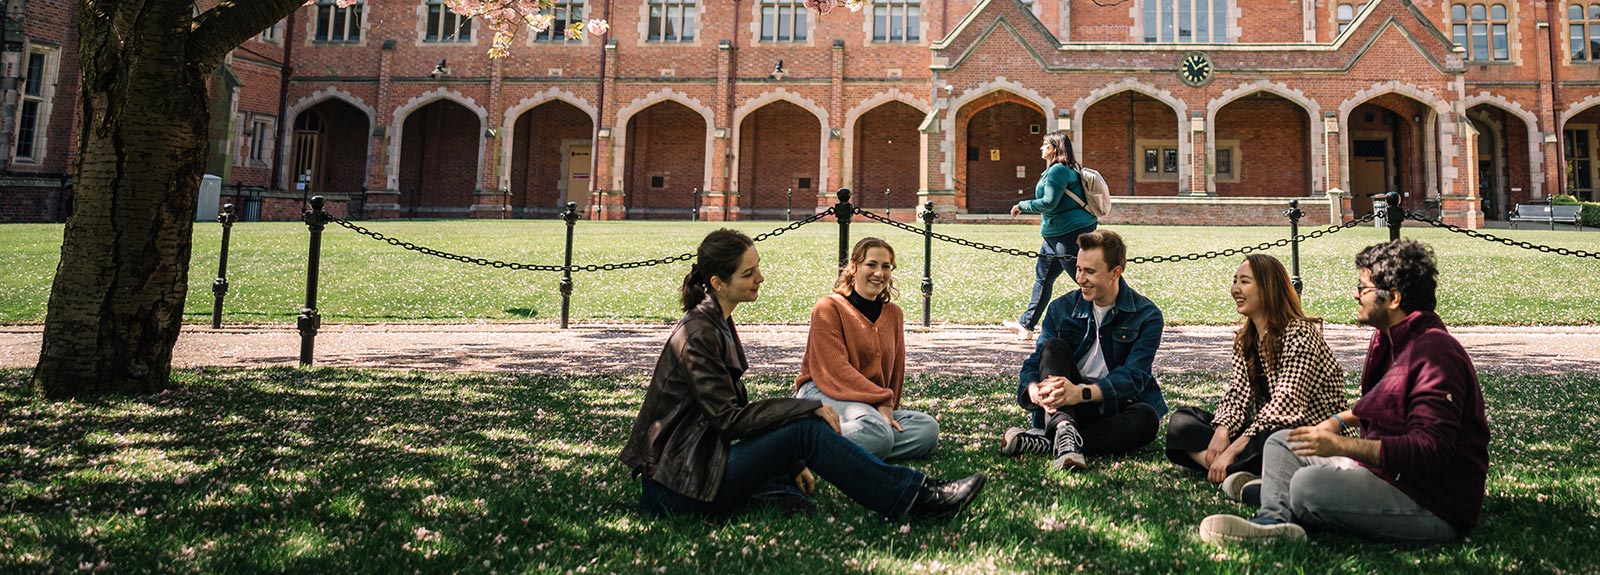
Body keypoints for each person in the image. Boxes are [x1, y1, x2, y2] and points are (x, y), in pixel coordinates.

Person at [621, 229, 986, 520]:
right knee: (806, 426)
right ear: (718, 282)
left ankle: (777, 486)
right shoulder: (699, 333)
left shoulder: (716, 322)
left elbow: (735, 411)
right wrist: (802, 409)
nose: (760, 278)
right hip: (677, 488)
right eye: (749, 273)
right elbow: (730, 420)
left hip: (695, 472)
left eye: (757, 267)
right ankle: (917, 497)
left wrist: (792, 460)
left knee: (810, 433)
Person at [1199, 239, 1489, 544]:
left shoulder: (1434, 353)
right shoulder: (1390, 341)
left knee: (1306, 486)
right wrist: (1339, 421)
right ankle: (1273, 516)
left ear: (1393, 298)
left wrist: (1340, 446)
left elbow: (1429, 449)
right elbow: (1385, 401)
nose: (1355, 295)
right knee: (1282, 443)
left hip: (1431, 503)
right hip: (1384, 475)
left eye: (1362, 289)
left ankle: (1277, 497)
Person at [1165, 254, 1349, 501]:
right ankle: (1234, 473)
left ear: (1268, 288)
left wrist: (1232, 449)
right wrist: (1222, 432)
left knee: (1274, 439)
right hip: (1258, 430)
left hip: (1303, 432)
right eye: (1234, 281)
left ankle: (1227, 468)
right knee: (1182, 422)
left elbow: (1287, 404)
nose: (1235, 289)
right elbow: (1237, 395)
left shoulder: (1301, 333)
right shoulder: (1246, 338)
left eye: (1244, 282)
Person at [997, 229, 1166, 471]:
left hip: (1111, 405)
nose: (1080, 278)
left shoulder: (1146, 315)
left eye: (1090, 271)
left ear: (1115, 272)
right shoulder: (1061, 309)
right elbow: (1038, 360)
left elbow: (1134, 377)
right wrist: (1033, 389)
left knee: (1147, 420)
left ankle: (1050, 442)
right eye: (1078, 269)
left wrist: (1082, 392)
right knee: (1054, 348)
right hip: (1066, 407)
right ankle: (1064, 431)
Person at [795, 237, 939, 461]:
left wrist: (887, 408)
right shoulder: (829, 308)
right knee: (877, 433)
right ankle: (798, 443)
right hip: (823, 390)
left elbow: (895, 372)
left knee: (927, 429)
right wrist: (881, 400)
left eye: (885, 266)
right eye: (871, 265)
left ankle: (850, 445)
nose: (879, 273)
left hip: (867, 401)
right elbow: (834, 370)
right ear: (853, 267)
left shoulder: (893, 314)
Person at [1003, 130, 1100, 340]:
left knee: (1084, 278)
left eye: (1044, 144)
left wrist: (1021, 205)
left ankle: (1120, 313)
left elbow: (1049, 203)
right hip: (1054, 234)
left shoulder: (1058, 170)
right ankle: (1026, 325)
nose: (1041, 148)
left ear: (1054, 148)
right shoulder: (1060, 169)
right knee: (1043, 278)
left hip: (1069, 233)